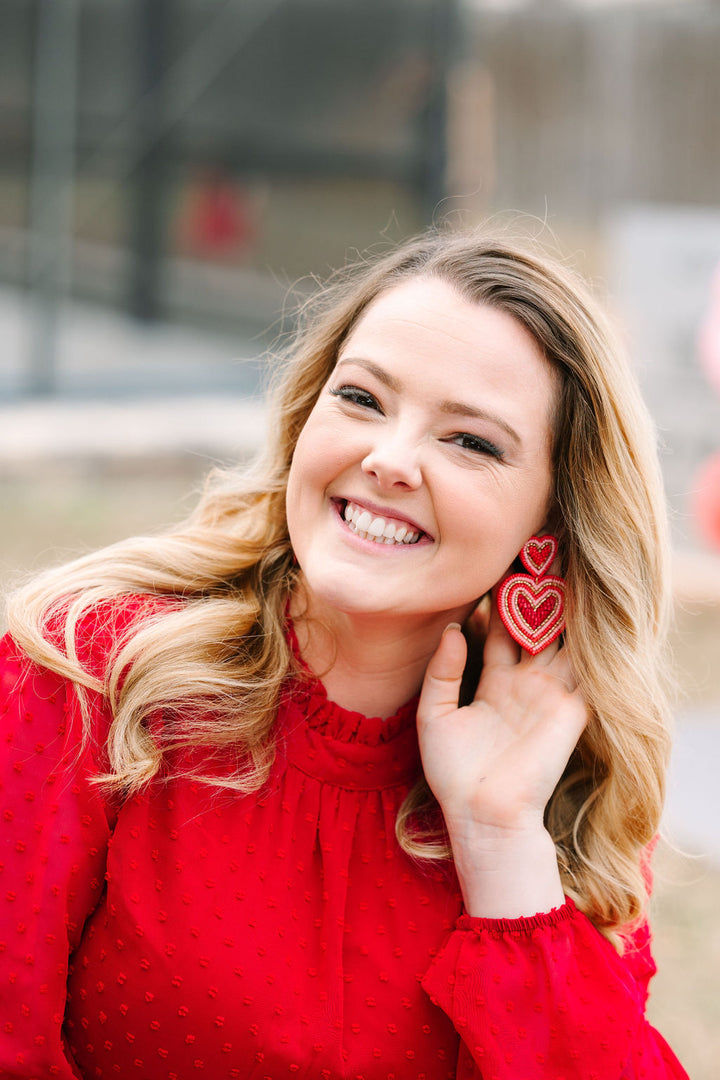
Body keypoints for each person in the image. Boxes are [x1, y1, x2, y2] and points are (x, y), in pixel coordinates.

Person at [0, 227, 688, 1079]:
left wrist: (500, 840)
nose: (389, 459)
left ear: (548, 529)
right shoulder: (83, 675)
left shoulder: (566, 799)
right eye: (362, 399)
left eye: (471, 442)